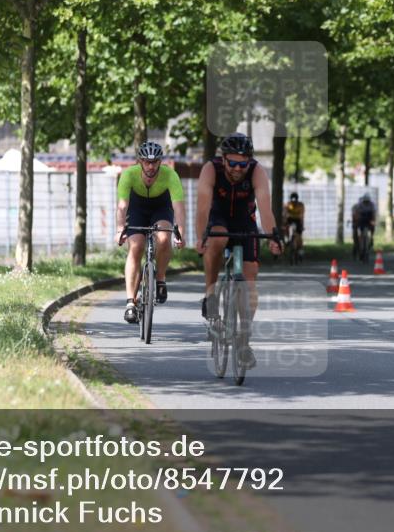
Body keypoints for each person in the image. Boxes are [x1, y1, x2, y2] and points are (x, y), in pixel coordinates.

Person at [196, 133, 281, 368]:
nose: (236, 169)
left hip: (245, 220)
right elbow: (202, 207)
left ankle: (244, 339)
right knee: (218, 239)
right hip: (218, 217)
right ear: (223, 160)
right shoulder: (210, 169)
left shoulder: (257, 171)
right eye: (231, 163)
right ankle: (211, 295)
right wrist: (200, 236)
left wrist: (274, 236)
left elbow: (265, 208)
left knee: (250, 275)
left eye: (241, 164)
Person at [116, 141, 186, 324]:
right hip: (137, 209)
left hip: (161, 209)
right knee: (136, 247)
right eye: (146, 162)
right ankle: (131, 302)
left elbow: (178, 207)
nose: (150, 166)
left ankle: (160, 278)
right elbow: (122, 206)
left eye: (154, 162)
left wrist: (180, 232)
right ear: (140, 161)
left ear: (160, 162)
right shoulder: (129, 174)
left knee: (164, 238)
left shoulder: (170, 175)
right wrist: (119, 229)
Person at [351, 193, 377, 257]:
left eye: (367, 201)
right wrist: (356, 221)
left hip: (368, 220)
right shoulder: (358, 206)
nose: (366, 203)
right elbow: (356, 215)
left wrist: (373, 222)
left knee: (372, 228)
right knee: (358, 232)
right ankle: (358, 246)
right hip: (361, 221)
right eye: (365, 201)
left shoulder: (372, 205)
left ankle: (371, 239)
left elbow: (373, 214)